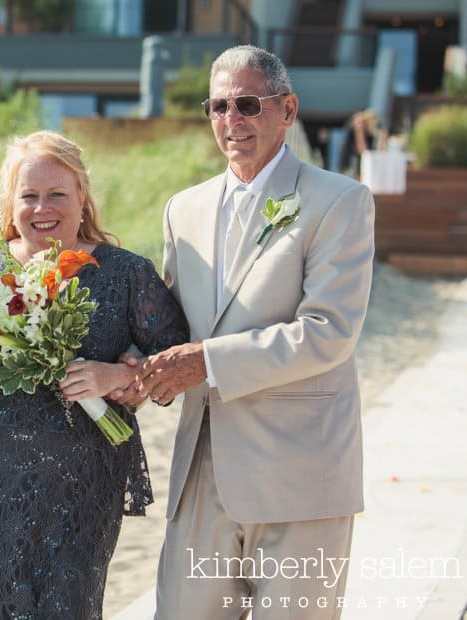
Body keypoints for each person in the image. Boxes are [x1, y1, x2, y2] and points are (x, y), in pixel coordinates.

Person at [0, 130, 189, 618]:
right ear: (10, 202)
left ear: (82, 197)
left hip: (75, 486)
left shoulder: (124, 273)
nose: (41, 208)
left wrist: (112, 376)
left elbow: (172, 364)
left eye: (57, 194)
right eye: (28, 195)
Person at [136, 45, 375, 618]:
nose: (231, 121)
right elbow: (169, 327)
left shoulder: (340, 201)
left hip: (299, 476)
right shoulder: (182, 209)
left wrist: (207, 363)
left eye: (247, 104)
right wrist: (128, 367)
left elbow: (327, 332)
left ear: (287, 110)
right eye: (218, 106)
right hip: (201, 472)